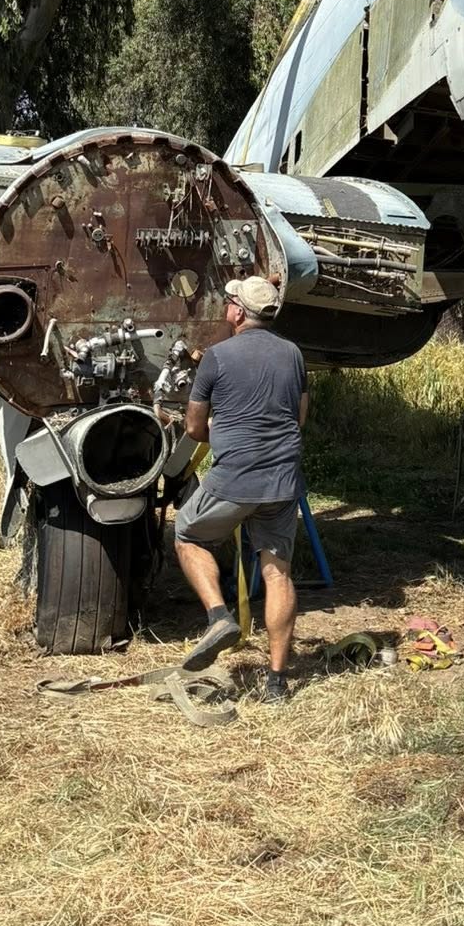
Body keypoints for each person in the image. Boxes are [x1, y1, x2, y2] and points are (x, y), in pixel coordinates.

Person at [172, 274, 307, 703]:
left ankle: (217, 616)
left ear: (236, 311)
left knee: (188, 535)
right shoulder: (294, 353)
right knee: (278, 572)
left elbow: (194, 428)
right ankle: (276, 683)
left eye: (229, 302)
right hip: (283, 480)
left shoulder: (216, 356)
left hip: (235, 478)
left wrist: (222, 432)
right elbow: (299, 418)